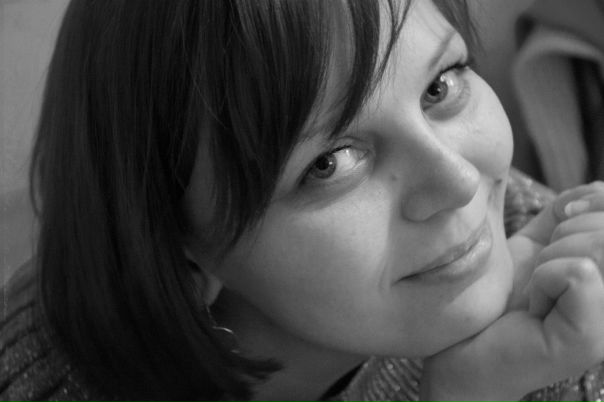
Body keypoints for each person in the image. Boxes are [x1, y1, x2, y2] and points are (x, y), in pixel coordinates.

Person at [3, 0, 604, 400]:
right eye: (330, 162)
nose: (460, 182)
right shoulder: (43, 378)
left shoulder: (549, 260)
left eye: (439, 87)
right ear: (177, 242)